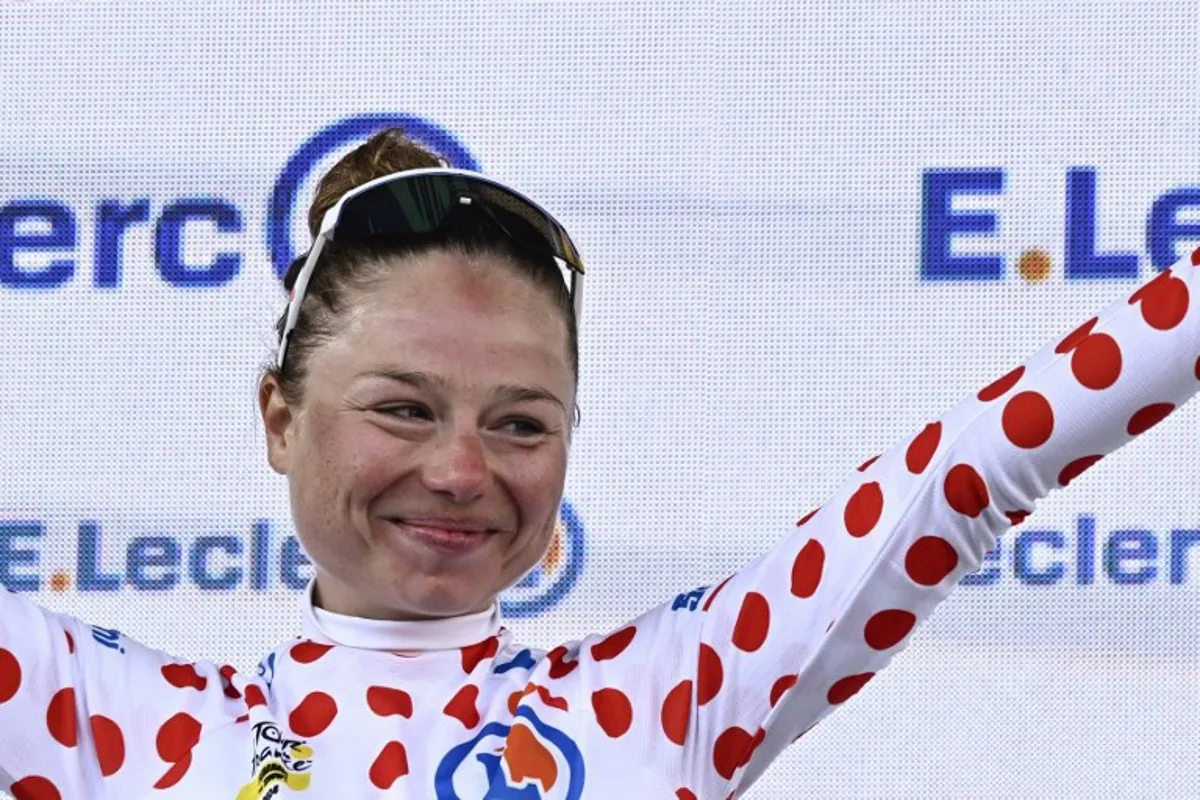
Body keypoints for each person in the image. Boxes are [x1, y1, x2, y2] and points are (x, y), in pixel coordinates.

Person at [0, 127, 1197, 800]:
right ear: (278, 417)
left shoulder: (670, 697)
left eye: (521, 423)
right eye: (404, 408)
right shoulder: (109, 725)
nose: (463, 470)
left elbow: (975, 467)